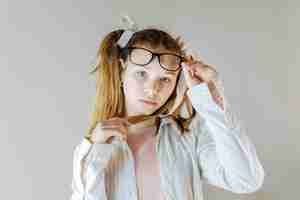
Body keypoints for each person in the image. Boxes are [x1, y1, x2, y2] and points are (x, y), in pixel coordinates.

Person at [69, 16, 265, 200]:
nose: (152, 90)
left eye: (164, 79)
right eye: (141, 74)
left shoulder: (188, 137)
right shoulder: (95, 148)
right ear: (122, 70)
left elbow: (246, 180)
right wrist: (95, 151)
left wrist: (212, 100)